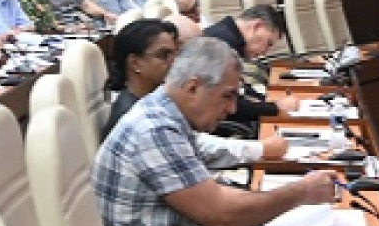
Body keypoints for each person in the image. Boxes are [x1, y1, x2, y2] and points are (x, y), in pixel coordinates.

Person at [93, 37, 338, 226]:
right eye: (227, 96)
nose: (233, 109)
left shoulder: (163, 112)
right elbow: (221, 216)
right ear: (193, 88)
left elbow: (207, 156)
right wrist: (301, 193)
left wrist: (263, 154)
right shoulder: (154, 130)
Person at [103, 17, 289, 169]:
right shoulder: (138, 117)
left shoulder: (159, 101)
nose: (175, 62)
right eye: (164, 55)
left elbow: (196, 145)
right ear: (135, 63)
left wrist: (260, 149)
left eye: (175, 54)